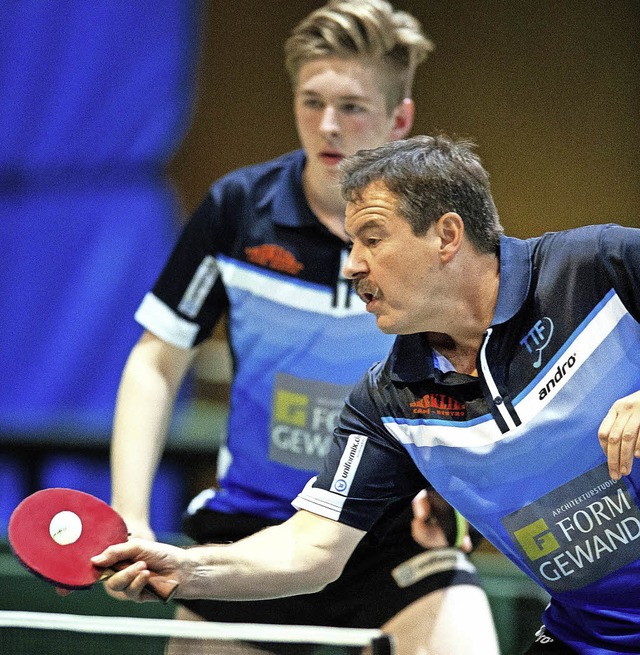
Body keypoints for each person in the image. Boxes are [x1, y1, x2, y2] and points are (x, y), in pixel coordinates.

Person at [97, 133, 640, 654]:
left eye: (373, 238)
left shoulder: (596, 268)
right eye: (352, 242)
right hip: (590, 635)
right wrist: (187, 569)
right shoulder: (391, 400)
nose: (352, 263)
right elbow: (312, 548)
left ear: (447, 236)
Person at [109, 3, 499, 654]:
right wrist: (129, 511)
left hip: (387, 535)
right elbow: (156, 362)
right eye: (311, 100)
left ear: (399, 119)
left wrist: (456, 491)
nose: (327, 125)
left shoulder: (443, 232)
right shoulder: (237, 212)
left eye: (352, 107)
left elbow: (481, 372)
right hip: (251, 535)